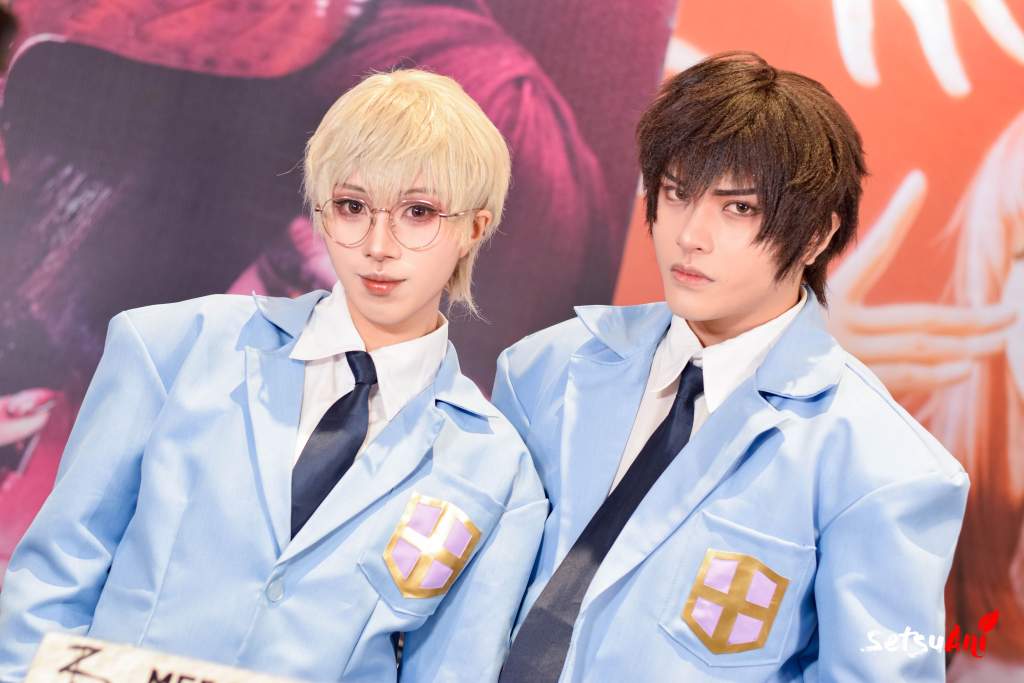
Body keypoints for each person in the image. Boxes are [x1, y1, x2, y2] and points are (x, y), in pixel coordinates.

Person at [0, 69, 546, 683]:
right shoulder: (171, 349)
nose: (379, 244)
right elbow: (54, 578)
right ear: (320, 210)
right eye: (353, 206)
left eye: (418, 212)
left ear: (474, 227)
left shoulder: (495, 471)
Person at [492, 52, 969, 681]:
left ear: (816, 236)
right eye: (676, 193)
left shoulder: (884, 466)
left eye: (739, 208)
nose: (691, 235)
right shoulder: (542, 368)